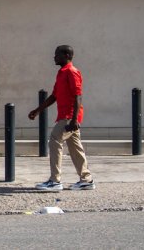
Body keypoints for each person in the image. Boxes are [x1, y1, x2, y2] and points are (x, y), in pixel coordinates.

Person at [28, 44, 94, 191]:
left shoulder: (72, 72)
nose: (54, 57)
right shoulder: (61, 73)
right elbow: (54, 96)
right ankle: (86, 179)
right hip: (65, 116)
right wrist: (38, 110)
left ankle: (55, 181)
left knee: (55, 140)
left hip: (69, 116)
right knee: (75, 148)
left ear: (66, 55)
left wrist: (74, 119)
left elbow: (78, 96)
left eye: (57, 54)